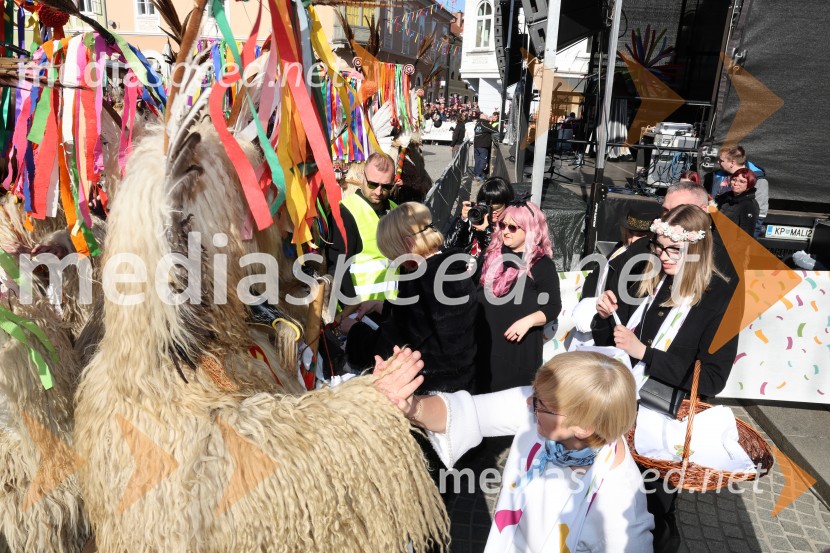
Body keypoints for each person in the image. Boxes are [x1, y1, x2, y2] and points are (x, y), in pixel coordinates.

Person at [373, 348, 655, 552]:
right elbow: (469, 413)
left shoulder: (622, 507)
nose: (529, 401)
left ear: (582, 427)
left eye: (541, 403)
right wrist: (412, 407)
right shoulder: (543, 410)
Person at [591, 205, 739, 551]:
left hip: (663, 427)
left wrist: (646, 354)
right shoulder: (654, 278)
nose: (663, 255)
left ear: (697, 249)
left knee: (654, 511)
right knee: (610, 502)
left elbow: (713, 378)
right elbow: (617, 342)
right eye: (659, 246)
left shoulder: (719, 296)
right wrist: (605, 316)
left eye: (674, 249)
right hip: (623, 413)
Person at [342, 203, 478, 393]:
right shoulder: (450, 268)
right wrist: (381, 306)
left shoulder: (424, 283)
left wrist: (354, 331)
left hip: (432, 393)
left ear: (407, 244)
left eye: (393, 253)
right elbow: (424, 320)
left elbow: (390, 349)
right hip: (461, 384)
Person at [477, 200, 562, 392]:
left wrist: (528, 321)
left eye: (513, 227)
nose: (505, 231)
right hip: (482, 352)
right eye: (502, 225)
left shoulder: (541, 265)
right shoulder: (490, 255)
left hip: (516, 356)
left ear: (530, 230)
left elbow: (553, 307)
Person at [326, 152, 398, 307]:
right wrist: (350, 314)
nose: (379, 192)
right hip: (359, 312)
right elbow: (338, 269)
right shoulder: (345, 213)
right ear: (361, 176)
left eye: (386, 186)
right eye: (373, 184)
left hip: (391, 309)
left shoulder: (396, 210)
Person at [444, 176, 514, 270]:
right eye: (487, 208)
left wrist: (485, 232)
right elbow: (449, 246)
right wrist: (463, 220)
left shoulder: (511, 227)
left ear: (507, 205)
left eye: (496, 209)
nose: (491, 212)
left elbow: (501, 260)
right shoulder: (476, 217)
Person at [709, 145, 769, 238]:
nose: (718, 162)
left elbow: (760, 212)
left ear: (732, 163)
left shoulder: (758, 179)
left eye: (721, 160)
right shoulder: (718, 174)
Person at [715, 167, 760, 237]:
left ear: (749, 184)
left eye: (742, 181)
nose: (735, 183)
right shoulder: (724, 198)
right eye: (734, 179)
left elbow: (746, 234)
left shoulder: (749, 205)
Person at [473, 112, 498, 181]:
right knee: (483, 161)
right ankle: (479, 175)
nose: (489, 117)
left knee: (477, 161)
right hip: (483, 146)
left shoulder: (477, 124)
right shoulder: (485, 124)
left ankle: (475, 175)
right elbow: (495, 130)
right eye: (487, 116)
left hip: (476, 145)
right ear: (485, 118)